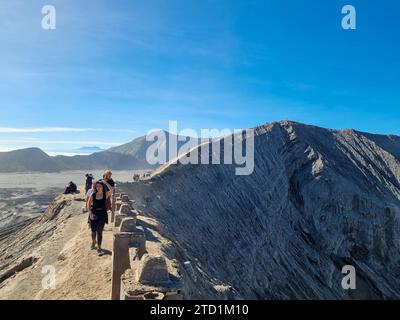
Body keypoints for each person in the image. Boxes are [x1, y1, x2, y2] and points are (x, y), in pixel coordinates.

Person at [87, 181, 111, 254]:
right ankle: (94, 241)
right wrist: (90, 213)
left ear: (102, 186)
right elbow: (88, 205)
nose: (98, 187)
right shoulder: (93, 195)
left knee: (99, 231)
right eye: (97, 186)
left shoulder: (105, 194)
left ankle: (99, 246)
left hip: (102, 215)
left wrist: (105, 182)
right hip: (94, 214)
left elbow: (112, 190)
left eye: (100, 186)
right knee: (93, 231)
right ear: (95, 187)